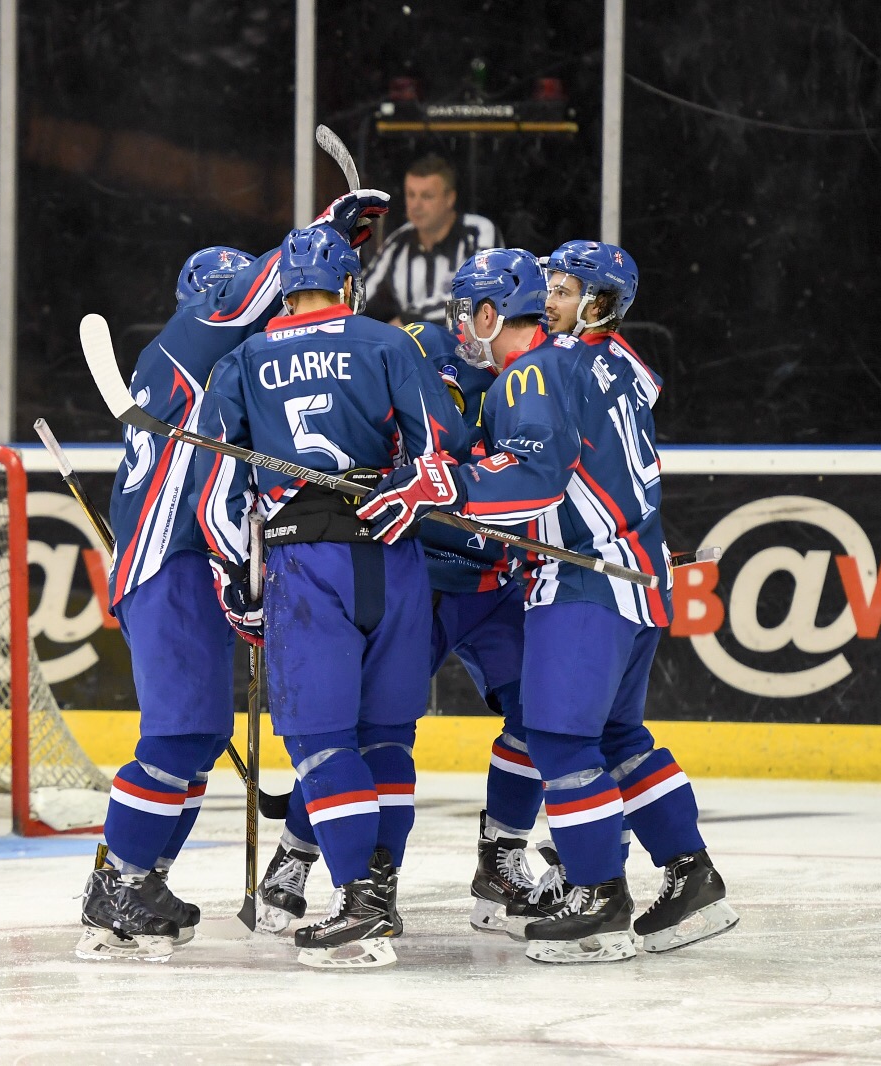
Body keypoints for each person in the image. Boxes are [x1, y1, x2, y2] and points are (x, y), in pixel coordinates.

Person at [359, 240, 739, 963]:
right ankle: (692, 873)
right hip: (637, 580)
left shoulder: (532, 373)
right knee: (620, 739)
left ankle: (597, 898)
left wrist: (448, 486)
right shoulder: (614, 367)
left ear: (491, 311)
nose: (461, 323)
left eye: (468, 310)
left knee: (561, 741)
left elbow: (535, 478)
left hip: (582, 586)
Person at [77, 193, 391, 963]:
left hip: (188, 563)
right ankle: (115, 884)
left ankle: (144, 876)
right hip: (170, 562)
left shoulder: (225, 373)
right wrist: (325, 232)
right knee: (176, 735)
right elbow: (261, 285)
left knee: (200, 734)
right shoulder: (193, 337)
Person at [254, 249, 557, 937]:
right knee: (358, 729)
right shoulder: (415, 348)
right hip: (416, 573)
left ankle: (502, 855)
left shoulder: (539, 374)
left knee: (541, 719)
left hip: (497, 583)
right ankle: (299, 855)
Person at [195, 223, 464, 969]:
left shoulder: (245, 359)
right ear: (348, 282)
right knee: (387, 737)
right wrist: (404, 492)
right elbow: (442, 450)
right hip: (396, 557)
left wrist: (238, 585)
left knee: (320, 741)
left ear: (282, 287)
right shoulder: (388, 343)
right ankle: (380, 889)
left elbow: (215, 493)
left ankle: (358, 905)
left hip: (307, 563)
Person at [360, 155, 501, 327]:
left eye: (426, 196)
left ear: (450, 199)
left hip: (468, 348)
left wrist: (410, 320)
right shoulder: (398, 243)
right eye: (411, 195)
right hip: (411, 348)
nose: (416, 205)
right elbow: (361, 295)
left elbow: (479, 295)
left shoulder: (479, 232)